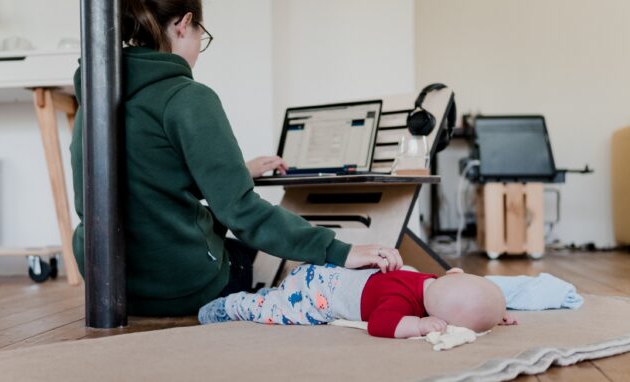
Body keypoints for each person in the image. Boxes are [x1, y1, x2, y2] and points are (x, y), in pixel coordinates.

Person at [69, 0, 403, 316]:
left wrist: (237, 171)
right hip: (179, 287)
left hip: (110, 285)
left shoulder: (96, 97)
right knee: (255, 259)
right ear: (184, 24)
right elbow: (241, 213)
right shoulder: (187, 97)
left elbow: (147, 179)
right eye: (202, 34)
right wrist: (340, 251)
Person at [199, 266, 519, 338]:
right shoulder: (399, 302)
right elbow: (379, 325)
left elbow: (466, 294)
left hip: (321, 274)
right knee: (279, 313)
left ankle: (273, 293)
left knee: (281, 294)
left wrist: (496, 312)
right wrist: (419, 325)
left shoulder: (431, 278)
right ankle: (233, 305)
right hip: (316, 298)